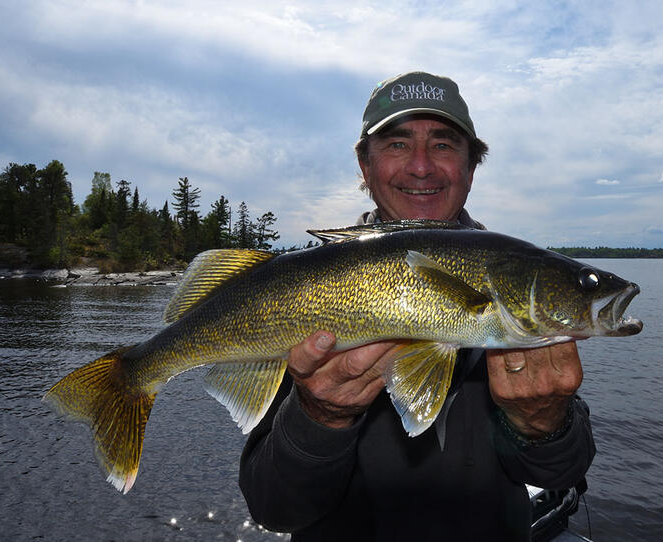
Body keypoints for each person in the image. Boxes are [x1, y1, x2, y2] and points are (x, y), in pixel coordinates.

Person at [239, 71, 595, 541]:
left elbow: (559, 472)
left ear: (471, 166)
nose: (422, 167)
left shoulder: (516, 283)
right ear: (365, 167)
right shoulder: (305, 288)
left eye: (444, 145)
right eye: (397, 144)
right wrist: (319, 419)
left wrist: (544, 421)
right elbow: (274, 508)